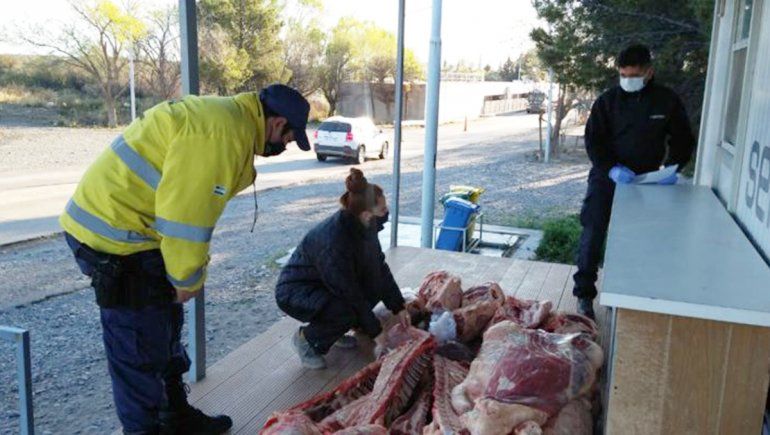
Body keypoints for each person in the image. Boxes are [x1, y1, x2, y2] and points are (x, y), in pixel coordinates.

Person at [61, 84, 311, 435]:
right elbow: (184, 220)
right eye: (289, 137)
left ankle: (174, 414)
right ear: (277, 122)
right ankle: (144, 430)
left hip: (136, 231)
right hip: (113, 235)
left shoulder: (232, 122)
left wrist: (181, 282)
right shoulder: (222, 135)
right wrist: (186, 281)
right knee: (138, 347)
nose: (285, 146)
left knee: (164, 324)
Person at [573, 44, 696, 319]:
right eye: (623, 75)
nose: (628, 80)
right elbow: (593, 141)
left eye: (634, 75)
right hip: (609, 176)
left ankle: (625, 295)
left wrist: (673, 168)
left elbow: (683, 138)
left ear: (649, 72)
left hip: (647, 180)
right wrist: (610, 168)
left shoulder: (666, 101)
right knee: (593, 232)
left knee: (636, 239)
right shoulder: (607, 101)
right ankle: (583, 295)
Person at [275, 168, 409, 369]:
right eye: (382, 209)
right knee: (346, 309)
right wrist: (376, 332)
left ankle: (332, 332)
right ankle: (307, 340)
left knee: (371, 289)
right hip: (296, 290)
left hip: (325, 284)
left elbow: (378, 268)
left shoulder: (365, 224)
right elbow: (349, 293)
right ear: (366, 214)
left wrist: (398, 306)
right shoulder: (334, 242)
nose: (386, 212)